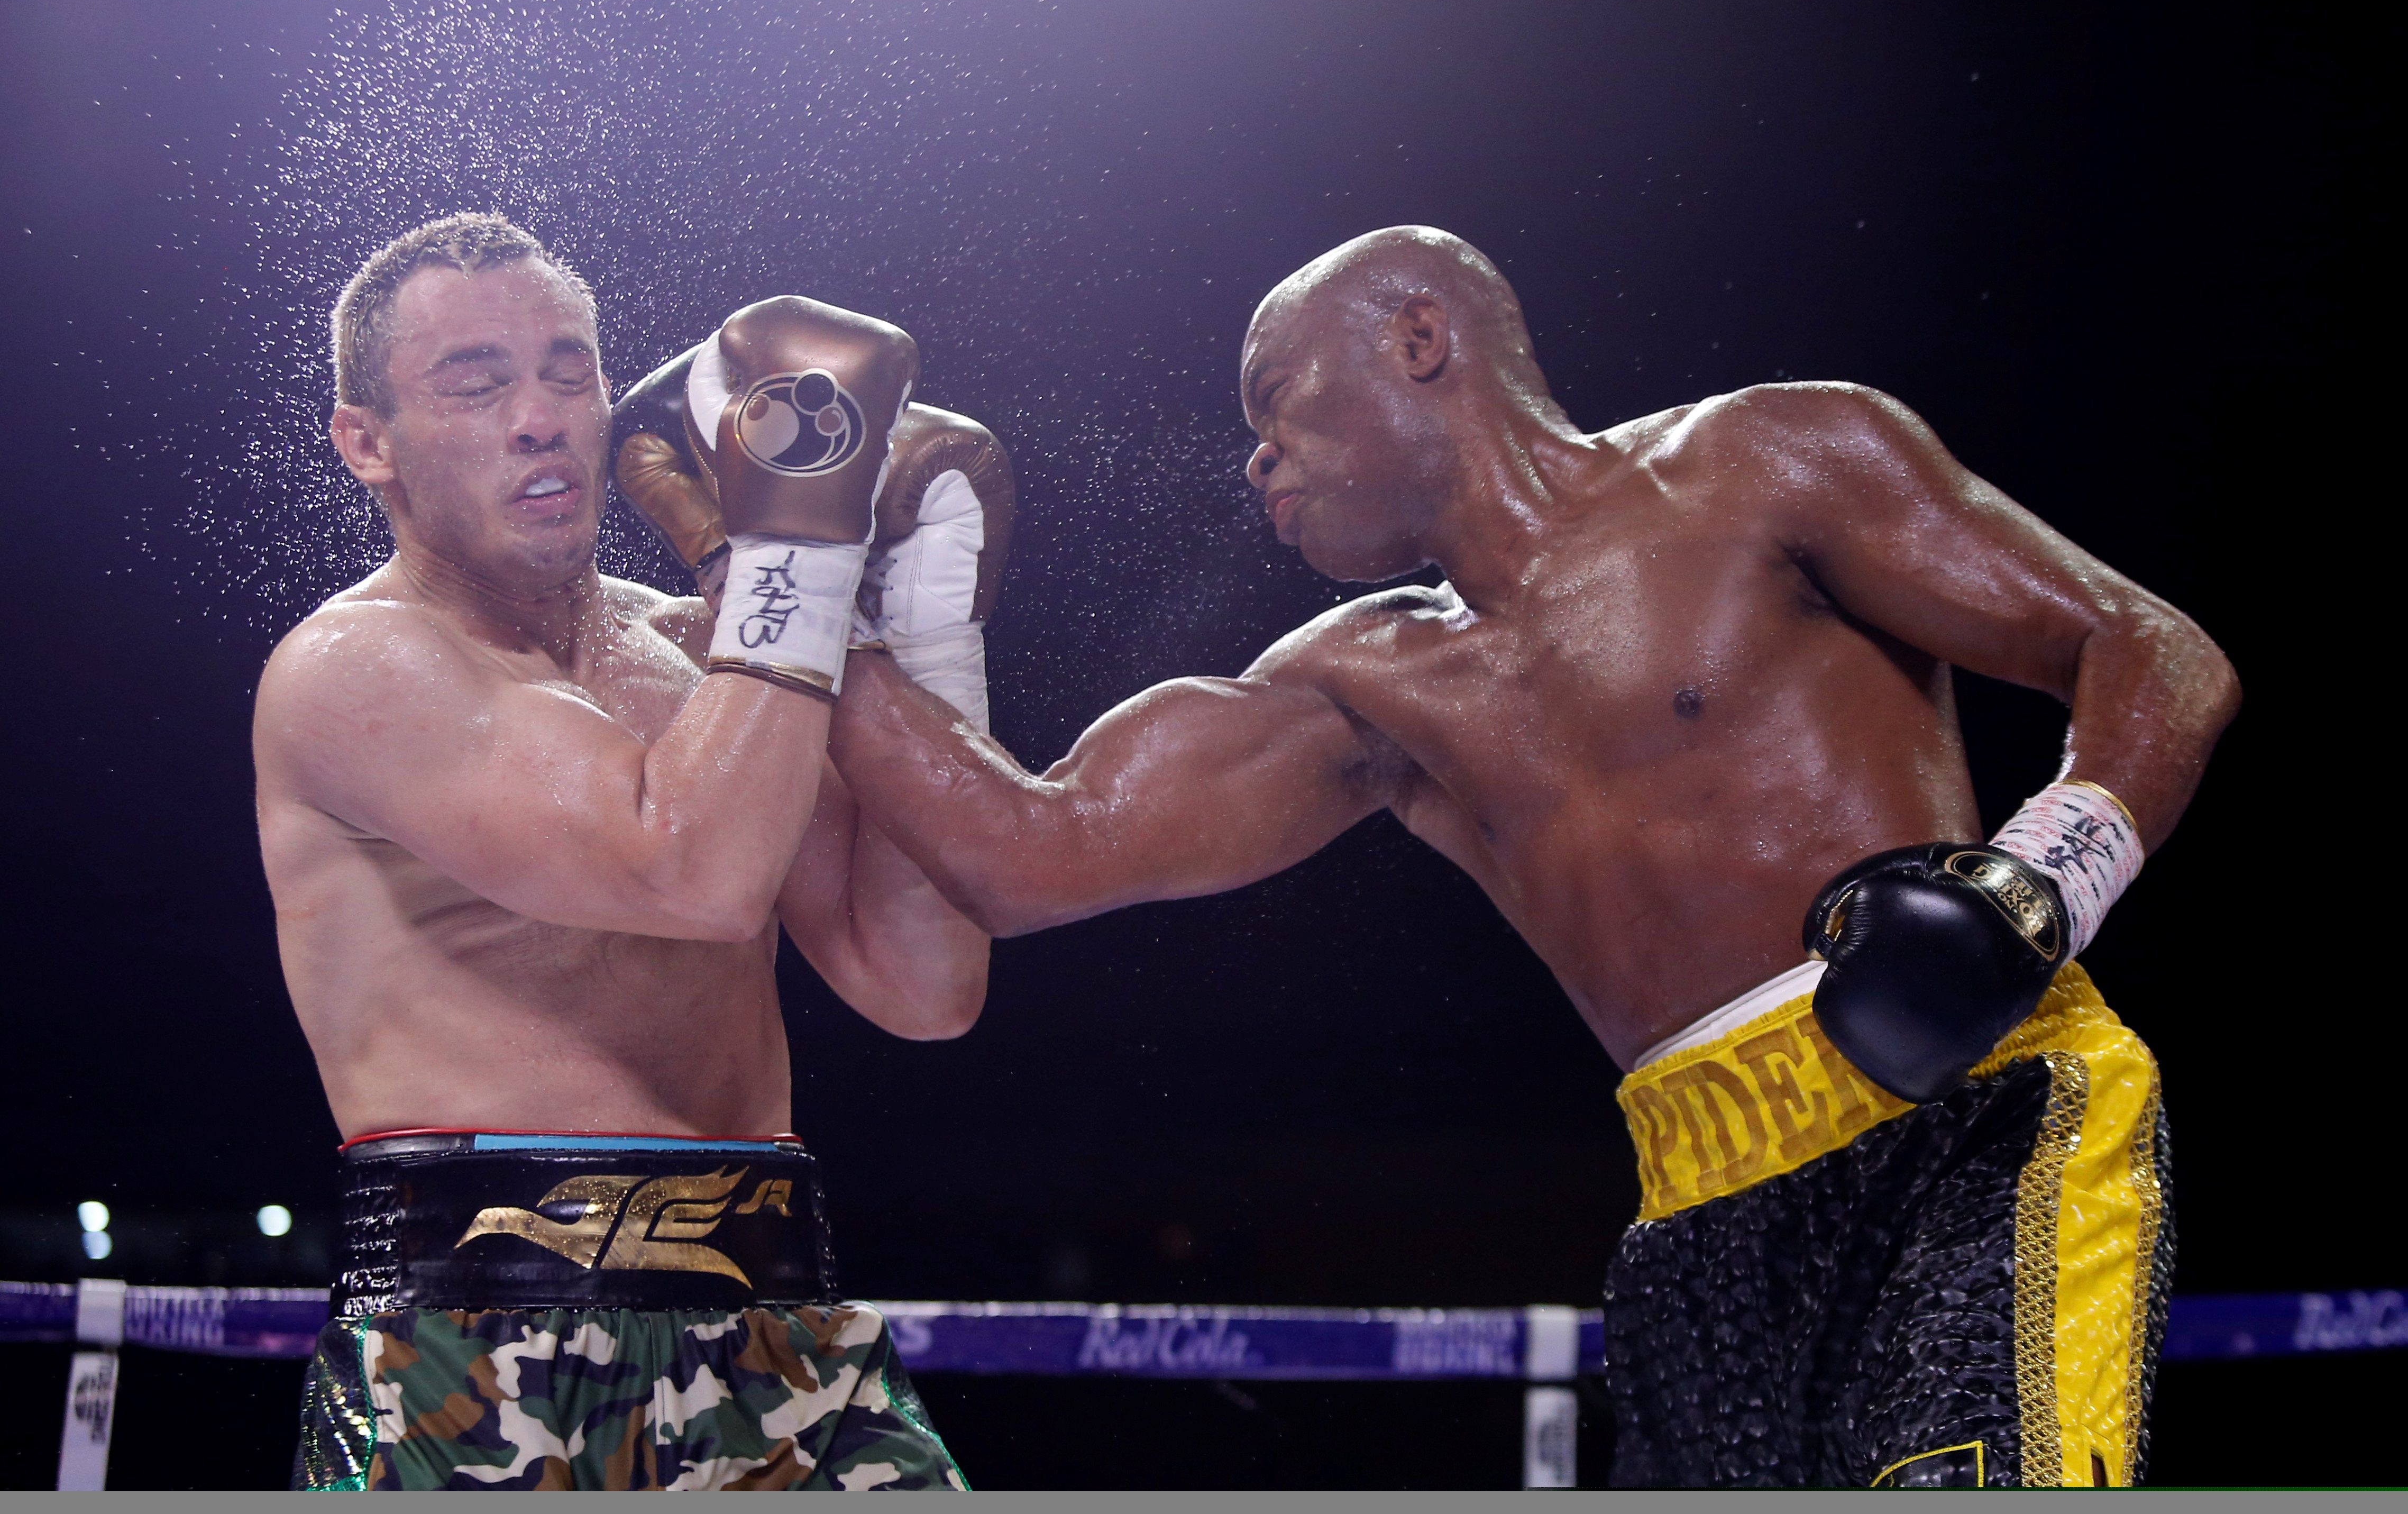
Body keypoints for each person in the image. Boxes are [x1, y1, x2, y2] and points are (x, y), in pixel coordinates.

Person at [826, 226, 2239, 1487]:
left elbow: (2146, 645)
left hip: (1968, 1123)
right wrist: (797, 571)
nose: (1257, 454)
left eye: (1275, 400)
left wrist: (2031, 881)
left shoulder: (1768, 461)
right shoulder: (1367, 684)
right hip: (1699, 1220)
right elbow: (1023, 851)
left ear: (1418, 338)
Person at [253, 211, 1003, 1490]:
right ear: (364, 442)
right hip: (475, 1352)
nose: (541, 416)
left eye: (568, 370)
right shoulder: (355, 670)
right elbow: (692, 872)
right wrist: (797, 556)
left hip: (785, 1338)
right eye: (477, 384)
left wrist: (927, 629)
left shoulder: (714, 656)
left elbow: (921, 980)